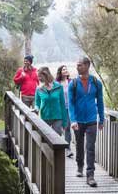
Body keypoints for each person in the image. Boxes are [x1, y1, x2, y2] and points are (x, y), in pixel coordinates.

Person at [67, 56, 104, 187]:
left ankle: (90, 175)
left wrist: (102, 119)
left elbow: (100, 102)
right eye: (77, 65)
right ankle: (79, 165)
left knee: (90, 147)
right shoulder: (73, 83)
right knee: (79, 145)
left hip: (92, 120)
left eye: (80, 65)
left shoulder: (96, 82)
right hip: (77, 120)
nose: (77, 67)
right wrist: (73, 120)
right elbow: (70, 104)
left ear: (87, 65)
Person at [34, 66, 67, 140]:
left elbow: (62, 105)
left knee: (56, 139)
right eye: (38, 76)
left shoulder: (59, 87)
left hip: (57, 118)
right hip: (44, 117)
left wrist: (64, 122)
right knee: (45, 140)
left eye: (40, 76)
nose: (38, 78)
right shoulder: (39, 89)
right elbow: (37, 103)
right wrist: (36, 109)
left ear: (46, 75)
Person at [56, 65, 73, 158]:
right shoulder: (57, 83)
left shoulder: (71, 82)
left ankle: (68, 148)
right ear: (60, 72)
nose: (65, 70)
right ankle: (58, 146)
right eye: (63, 69)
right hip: (59, 108)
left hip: (69, 108)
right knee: (59, 128)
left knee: (67, 127)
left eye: (66, 69)